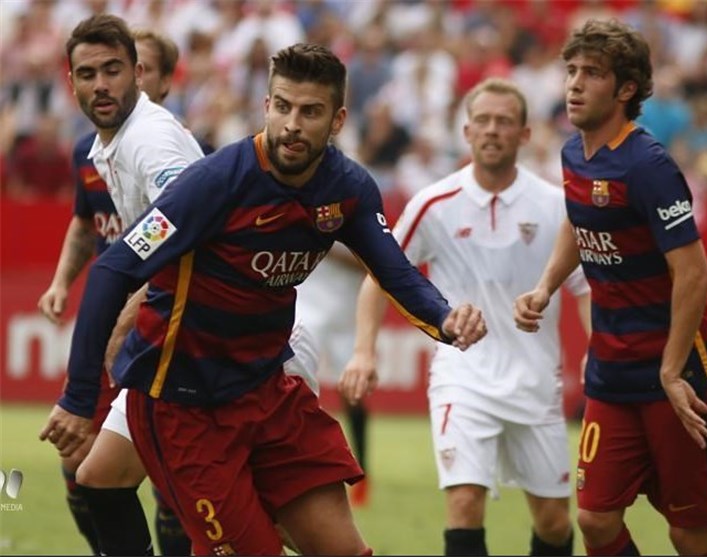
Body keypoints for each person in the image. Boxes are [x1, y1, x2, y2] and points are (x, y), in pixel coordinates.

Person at [41, 42, 487, 556]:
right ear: (267, 106)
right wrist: (79, 396)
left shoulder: (347, 189)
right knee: (106, 482)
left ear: (338, 120)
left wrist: (445, 319)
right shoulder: (214, 183)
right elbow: (115, 267)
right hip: (184, 403)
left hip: (267, 392)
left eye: (311, 112)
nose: (293, 125)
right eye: (284, 107)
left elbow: (395, 272)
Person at [339, 77, 591, 556]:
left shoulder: (555, 206)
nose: (492, 130)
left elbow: (584, 287)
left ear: (525, 134)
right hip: (463, 378)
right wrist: (363, 352)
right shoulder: (434, 203)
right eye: (483, 121)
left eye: (504, 121)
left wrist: (595, 351)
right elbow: (378, 277)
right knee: (463, 505)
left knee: (555, 522)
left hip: (536, 381)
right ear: (467, 131)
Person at [513, 19, 707, 556]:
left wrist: (670, 369)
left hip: (677, 373)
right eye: (571, 70)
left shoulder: (648, 165)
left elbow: (695, 274)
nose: (574, 83)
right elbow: (578, 221)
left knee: (688, 531)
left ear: (626, 89)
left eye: (592, 73)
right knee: (595, 519)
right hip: (611, 369)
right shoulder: (573, 154)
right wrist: (545, 287)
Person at [37, 15, 206, 556]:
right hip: (160, 324)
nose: (101, 85)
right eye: (88, 74)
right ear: (71, 83)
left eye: (114, 70)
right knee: (93, 472)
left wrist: (128, 321)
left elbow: (185, 234)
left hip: (194, 334)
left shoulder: (152, 141)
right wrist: (67, 284)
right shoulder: (101, 148)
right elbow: (92, 227)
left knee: (196, 495)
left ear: (140, 74)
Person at [294, 244, 372, 506]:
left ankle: (363, 472)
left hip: (346, 314)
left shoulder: (353, 220)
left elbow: (373, 262)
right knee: (295, 387)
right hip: (305, 309)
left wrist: (325, 245)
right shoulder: (299, 218)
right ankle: (298, 468)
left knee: (353, 391)